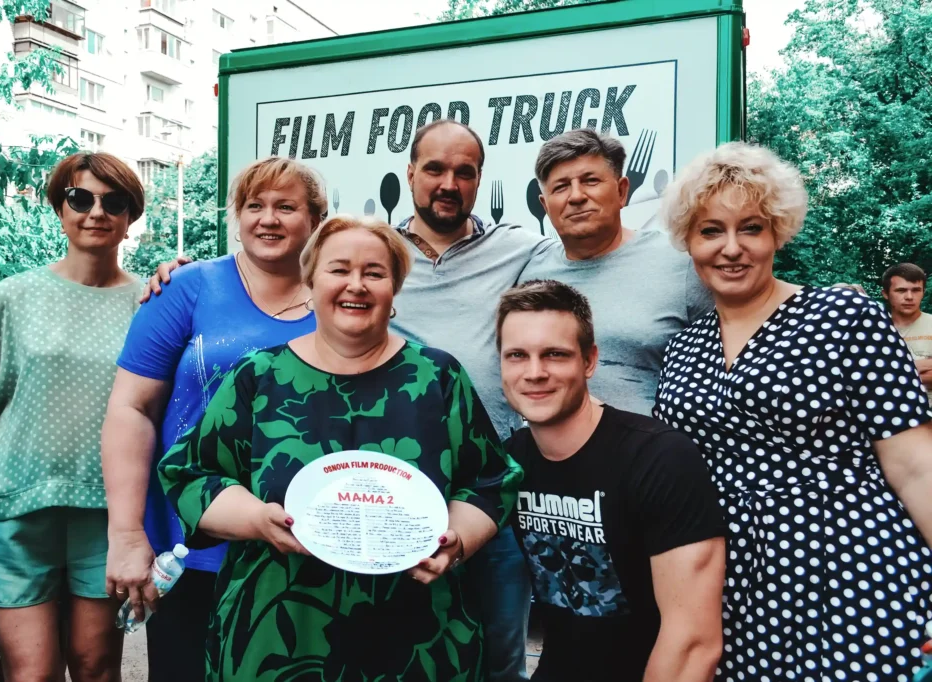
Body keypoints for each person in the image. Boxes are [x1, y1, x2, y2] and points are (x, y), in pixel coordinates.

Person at [157, 215, 522, 681]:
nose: (357, 285)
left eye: (374, 272)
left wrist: (456, 541)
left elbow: (490, 479)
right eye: (339, 269)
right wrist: (256, 520)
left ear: (395, 290)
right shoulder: (259, 377)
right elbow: (191, 473)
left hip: (417, 638)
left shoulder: (438, 377)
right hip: (277, 637)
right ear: (310, 281)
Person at [655, 141, 932, 681]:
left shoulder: (844, 315)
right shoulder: (684, 346)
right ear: (688, 240)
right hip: (729, 579)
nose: (731, 248)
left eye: (750, 228)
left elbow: (916, 464)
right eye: (711, 230)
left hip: (852, 568)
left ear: (777, 232)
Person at [101, 157, 324, 681]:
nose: (267, 219)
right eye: (254, 206)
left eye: (286, 207)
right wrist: (128, 534)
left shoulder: (339, 298)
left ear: (316, 219)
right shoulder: (188, 288)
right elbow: (131, 409)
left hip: (302, 550)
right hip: (190, 548)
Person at [0, 153, 144, 681]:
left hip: (107, 513)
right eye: (80, 198)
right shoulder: (15, 295)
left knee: (96, 665)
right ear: (60, 207)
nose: (96, 212)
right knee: (32, 672)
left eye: (114, 202)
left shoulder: (149, 302)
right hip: (16, 507)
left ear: (131, 217)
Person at [496, 279, 725, 682]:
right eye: (517, 355)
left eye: (555, 354)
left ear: (589, 361)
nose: (535, 372)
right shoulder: (513, 459)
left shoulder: (659, 457)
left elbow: (694, 642)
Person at [392, 119, 551, 680]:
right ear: (410, 173)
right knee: (400, 652)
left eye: (464, 171)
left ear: (480, 179)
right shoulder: (373, 252)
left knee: (500, 655)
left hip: (494, 489)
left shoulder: (519, 249)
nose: (448, 183)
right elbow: (285, 280)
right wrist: (183, 272)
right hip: (397, 486)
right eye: (434, 168)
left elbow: (595, 255)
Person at [519, 128, 713, 416]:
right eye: (560, 187)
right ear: (545, 206)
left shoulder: (681, 264)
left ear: (622, 191)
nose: (576, 196)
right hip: (548, 456)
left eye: (590, 181)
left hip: (654, 455)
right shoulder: (530, 276)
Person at [882, 263, 932, 403]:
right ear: (885, 294)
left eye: (916, 290)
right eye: (901, 290)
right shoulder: (877, 330)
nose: (909, 297)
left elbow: (881, 377)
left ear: (923, 292)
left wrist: (892, 373)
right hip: (891, 416)